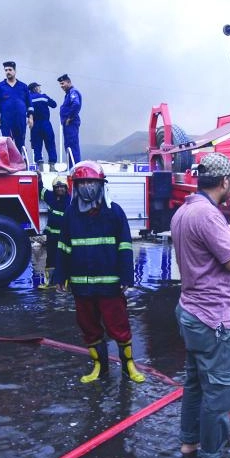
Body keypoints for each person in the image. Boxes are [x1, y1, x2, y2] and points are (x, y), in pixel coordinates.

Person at [171, 152, 230, 458]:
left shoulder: (184, 211)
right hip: (215, 320)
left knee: (195, 384)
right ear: (224, 182)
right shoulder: (209, 217)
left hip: (192, 312)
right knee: (219, 392)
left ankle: (189, 444)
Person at [53, 160, 144, 383]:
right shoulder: (70, 214)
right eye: (82, 183)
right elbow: (63, 247)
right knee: (89, 328)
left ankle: (128, 366)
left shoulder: (114, 212)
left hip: (109, 285)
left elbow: (124, 246)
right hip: (82, 287)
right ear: (75, 185)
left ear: (101, 184)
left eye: (91, 182)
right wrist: (60, 276)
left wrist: (126, 277)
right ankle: (99, 368)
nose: (87, 187)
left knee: (119, 326)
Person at [0, 61, 33, 154]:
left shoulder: (23, 86)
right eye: (6, 70)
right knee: (7, 142)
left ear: (15, 71)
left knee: (20, 143)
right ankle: (8, 165)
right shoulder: (0, 87)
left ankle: (20, 164)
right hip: (6, 120)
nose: (8, 72)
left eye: (10, 70)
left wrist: (30, 117)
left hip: (20, 119)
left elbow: (29, 104)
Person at [38, 173, 70, 289]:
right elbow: (40, 190)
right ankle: (50, 282)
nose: (60, 189)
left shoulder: (71, 201)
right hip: (52, 237)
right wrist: (39, 179)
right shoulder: (50, 196)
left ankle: (65, 283)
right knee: (50, 259)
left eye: (62, 187)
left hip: (65, 238)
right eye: (57, 187)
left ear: (66, 188)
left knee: (65, 260)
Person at [28, 82, 58, 165]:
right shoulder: (43, 97)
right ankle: (52, 163)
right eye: (38, 87)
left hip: (34, 124)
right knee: (50, 143)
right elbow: (54, 104)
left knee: (37, 145)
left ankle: (39, 163)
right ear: (35, 88)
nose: (40, 89)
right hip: (46, 123)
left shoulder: (28, 99)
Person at [58, 73, 82, 164]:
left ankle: (75, 167)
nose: (61, 86)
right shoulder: (68, 94)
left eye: (62, 83)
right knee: (68, 146)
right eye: (60, 84)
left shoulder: (73, 92)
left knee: (72, 145)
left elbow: (76, 104)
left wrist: (69, 117)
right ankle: (71, 166)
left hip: (71, 123)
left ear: (69, 82)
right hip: (67, 124)